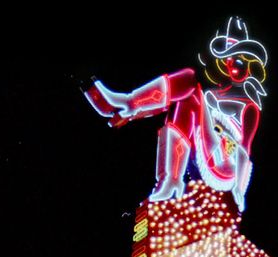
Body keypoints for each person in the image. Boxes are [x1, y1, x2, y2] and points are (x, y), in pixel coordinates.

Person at [85, 16, 267, 212]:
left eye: (239, 62)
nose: (232, 66)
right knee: (187, 100)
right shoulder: (215, 93)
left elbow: (244, 151)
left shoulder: (249, 107)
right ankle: (170, 182)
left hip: (224, 164)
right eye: (229, 59)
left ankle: (128, 104)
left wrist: (239, 192)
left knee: (190, 81)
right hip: (207, 144)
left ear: (251, 66)